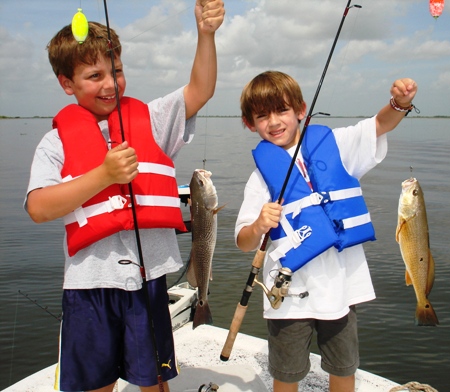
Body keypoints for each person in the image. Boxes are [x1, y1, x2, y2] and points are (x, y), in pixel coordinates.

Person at [24, 1, 225, 391]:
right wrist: (103, 175)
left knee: (153, 380)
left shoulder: (151, 120)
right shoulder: (55, 143)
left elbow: (201, 90)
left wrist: (206, 34)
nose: (111, 84)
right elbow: (37, 207)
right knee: (94, 384)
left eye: (117, 71)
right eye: (94, 75)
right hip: (88, 289)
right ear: (67, 84)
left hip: (146, 284)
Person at [235, 70, 417, 392]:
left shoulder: (335, 144)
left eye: (282, 110)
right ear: (250, 123)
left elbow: (379, 125)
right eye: (262, 116)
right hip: (288, 296)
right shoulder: (259, 179)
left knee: (344, 368)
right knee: (286, 374)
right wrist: (259, 225)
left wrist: (399, 104)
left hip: (341, 290)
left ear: (301, 110)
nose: (274, 122)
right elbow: (243, 242)